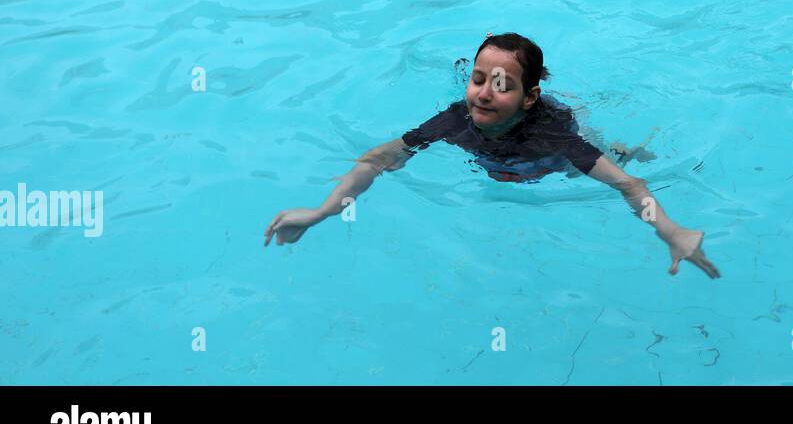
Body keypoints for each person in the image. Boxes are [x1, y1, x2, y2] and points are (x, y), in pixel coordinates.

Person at [265, 33, 720, 279]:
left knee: (611, 154)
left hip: (548, 159)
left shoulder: (553, 137)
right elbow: (377, 160)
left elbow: (628, 185)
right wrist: (322, 212)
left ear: (528, 96)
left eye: (500, 85)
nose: (482, 94)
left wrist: (670, 230)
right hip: (505, 162)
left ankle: (623, 143)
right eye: (477, 79)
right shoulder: (454, 120)